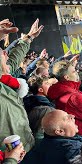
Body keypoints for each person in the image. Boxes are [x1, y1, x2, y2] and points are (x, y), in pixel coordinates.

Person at [0, 18, 44, 152]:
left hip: (26, 147)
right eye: (2, 53)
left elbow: (14, 58)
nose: (6, 54)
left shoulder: (6, 81)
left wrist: (28, 38)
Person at [47, 60, 82, 136]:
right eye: (73, 71)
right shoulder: (73, 96)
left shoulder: (58, 91)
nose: (76, 73)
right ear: (67, 77)